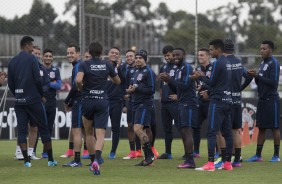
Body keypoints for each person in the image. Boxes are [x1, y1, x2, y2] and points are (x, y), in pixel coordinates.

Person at [8, 36, 57, 167]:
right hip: (34, 100)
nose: (32, 48)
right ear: (28, 46)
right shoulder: (32, 59)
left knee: (22, 131)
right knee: (44, 128)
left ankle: (26, 161)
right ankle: (51, 159)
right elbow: (37, 79)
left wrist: (18, 94)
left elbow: (10, 83)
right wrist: (41, 95)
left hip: (19, 101)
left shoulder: (13, 61)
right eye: (31, 46)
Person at [76, 41, 120, 175]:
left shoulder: (84, 64)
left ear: (89, 52)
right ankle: (97, 160)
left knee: (88, 133)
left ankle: (93, 160)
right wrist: (109, 78)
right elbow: (117, 81)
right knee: (100, 134)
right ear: (101, 53)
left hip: (88, 100)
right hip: (102, 101)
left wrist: (81, 89)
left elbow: (78, 80)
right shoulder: (106, 64)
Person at [192, 39, 233, 171]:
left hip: (218, 101)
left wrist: (199, 77)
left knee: (211, 132)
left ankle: (210, 164)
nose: (210, 52)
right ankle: (227, 164)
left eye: (211, 50)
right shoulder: (227, 62)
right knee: (227, 133)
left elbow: (212, 82)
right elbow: (220, 83)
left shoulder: (217, 63)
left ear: (218, 50)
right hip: (227, 100)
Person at [160, 48, 198, 168]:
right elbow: (178, 86)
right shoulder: (179, 69)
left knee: (187, 130)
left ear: (184, 55)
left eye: (178, 55)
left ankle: (190, 161)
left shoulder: (186, 67)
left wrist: (169, 80)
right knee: (183, 130)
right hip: (182, 102)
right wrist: (168, 80)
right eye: (174, 55)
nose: (175, 57)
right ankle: (188, 160)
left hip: (188, 102)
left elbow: (185, 86)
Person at [244, 40, 280, 162]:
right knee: (261, 128)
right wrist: (255, 76)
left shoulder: (274, 63)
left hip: (272, 100)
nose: (261, 51)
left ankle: (276, 156)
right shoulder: (263, 63)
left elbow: (273, 83)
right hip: (262, 100)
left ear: (270, 50)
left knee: (275, 128)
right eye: (261, 49)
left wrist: (257, 76)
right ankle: (258, 155)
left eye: (264, 49)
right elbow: (261, 81)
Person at [126, 49, 155, 166]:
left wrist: (137, 89)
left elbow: (152, 90)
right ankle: (148, 158)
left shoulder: (149, 71)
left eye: (140, 58)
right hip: (135, 104)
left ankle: (150, 156)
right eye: (136, 58)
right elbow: (135, 87)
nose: (137, 60)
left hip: (145, 105)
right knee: (140, 130)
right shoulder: (135, 71)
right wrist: (130, 92)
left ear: (145, 59)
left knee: (137, 129)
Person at [62, 43, 83, 167]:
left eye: (72, 53)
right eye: (68, 53)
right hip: (82, 101)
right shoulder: (78, 65)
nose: (69, 55)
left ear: (78, 54)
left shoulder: (78, 66)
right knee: (88, 132)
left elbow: (76, 86)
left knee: (76, 130)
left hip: (79, 102)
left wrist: (67, 101)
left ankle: (77, 160)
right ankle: (95, 158)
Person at [158, 45, 179, 160]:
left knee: (181, 127)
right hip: (165, 103)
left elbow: (183, 84)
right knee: (167, 129)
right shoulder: (163, 67)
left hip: (175, 103)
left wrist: (178, 96)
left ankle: (188, 153)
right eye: (165, 55)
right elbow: (161, 85)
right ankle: (168, 152)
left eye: (168, 55)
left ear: (173, 54)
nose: (166, 57)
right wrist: (162, 95)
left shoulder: (178, 67)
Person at [106, 47, 127, 159]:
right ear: (108, 54)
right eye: (112, 52)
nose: (114, 54)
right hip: (103, 100)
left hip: (117, 101)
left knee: (115, 128)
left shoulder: (122, 67)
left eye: (116, 53)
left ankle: (113, 151)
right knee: (99, 127)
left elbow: (124, 80)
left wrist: (118, 68)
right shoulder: (103, 66)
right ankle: (96, 150)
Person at [41, 48, 62, 156]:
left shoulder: (55, 70)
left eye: (50, 56)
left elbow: (59, 85)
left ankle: (45, 151)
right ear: (43, 57)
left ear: (52, 58)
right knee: (38, 126)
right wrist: (51, 83)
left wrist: (48, 83)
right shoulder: (38, 69)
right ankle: (32, 150)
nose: (48, 58)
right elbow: (38, 85)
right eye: (46, 56)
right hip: (41, 101)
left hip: (52, 102)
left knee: (49, 126)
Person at [193, 48, 212, 158]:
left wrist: (207, 90)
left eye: (202, 55)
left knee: (213, 127)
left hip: (211, 101)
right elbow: (197, 84)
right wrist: (198, 87)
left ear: (208, 56)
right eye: (198, 55)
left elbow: (215, 83)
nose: (199, 57)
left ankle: (217, 151)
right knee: (196, 126)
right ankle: (196, 151)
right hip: (199, 100)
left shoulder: (213, 68)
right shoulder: (198, 69)